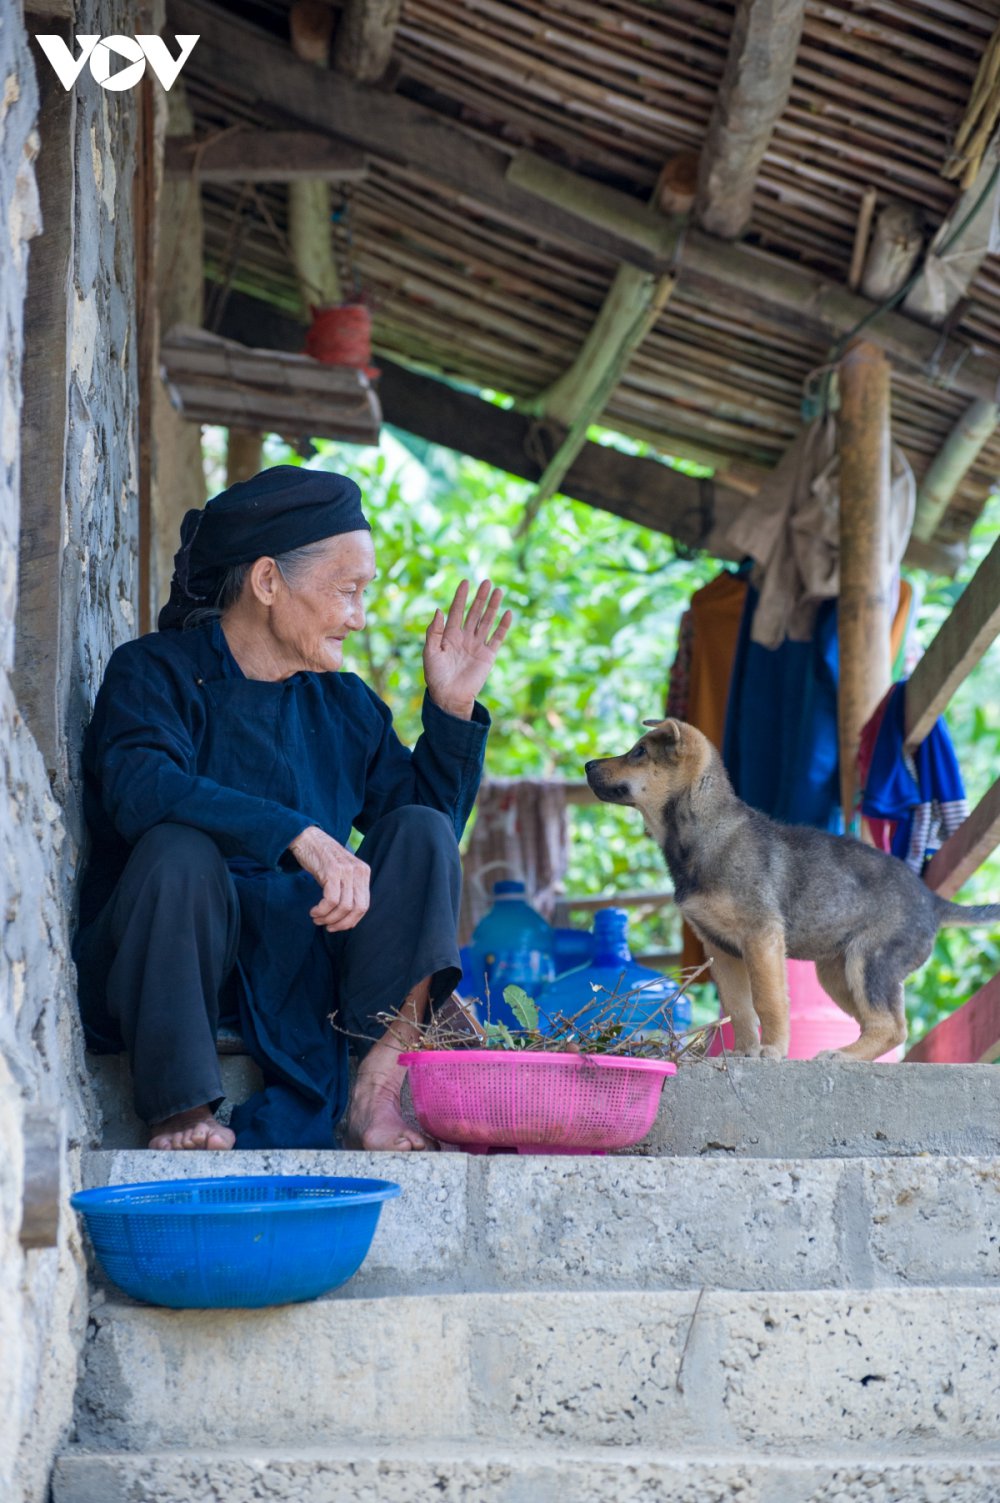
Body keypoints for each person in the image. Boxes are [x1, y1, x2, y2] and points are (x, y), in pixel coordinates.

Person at [73, 465, 511, 1152]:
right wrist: (295, 832)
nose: (358, 616)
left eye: (363, 593)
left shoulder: (347, 705)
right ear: (269, 582)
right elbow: (140, 787)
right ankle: (181, 1110)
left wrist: (451, 710)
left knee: (421, 831)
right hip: (174, 967)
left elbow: (424, 851)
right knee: (177, 849)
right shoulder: (152, 671)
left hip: (301, 966)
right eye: (347, 590)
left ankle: (375, 1089)